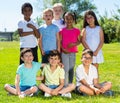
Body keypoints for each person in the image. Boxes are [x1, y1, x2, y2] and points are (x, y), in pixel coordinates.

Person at [59, 12, 81, 86]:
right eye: (67, 19)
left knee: (71, 69)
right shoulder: (62, 31)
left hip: (73, 53)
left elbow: (79, 41)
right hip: (64, 53)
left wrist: (73, 44)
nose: (69, 20)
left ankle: (70, 84)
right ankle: (65, 86)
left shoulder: (77, 31)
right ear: (64, 20)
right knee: (65, 69)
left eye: (70, 19)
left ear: (73, 19)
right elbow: (59, 42)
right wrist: (63, 49)